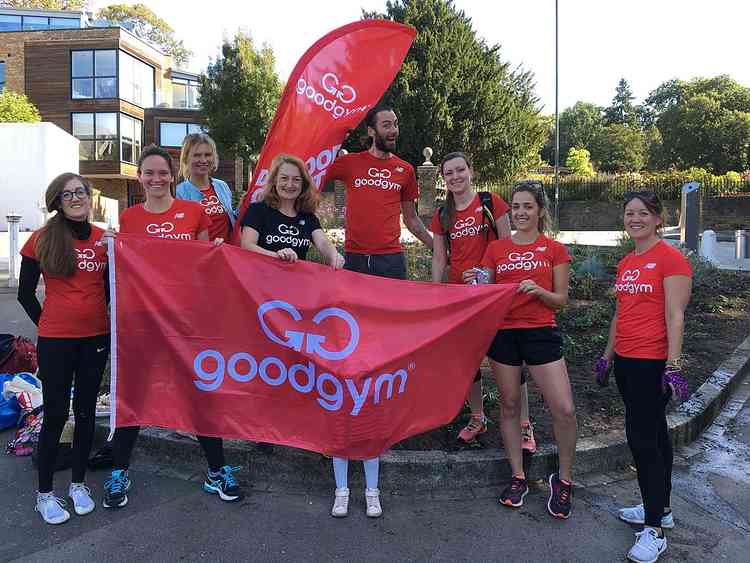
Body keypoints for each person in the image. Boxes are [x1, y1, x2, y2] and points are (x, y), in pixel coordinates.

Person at [103, 145, 244, 509]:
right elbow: (126, 272)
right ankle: (119, 472)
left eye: (162, 173)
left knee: (200, 394)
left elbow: (202, 270)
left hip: (185, 322)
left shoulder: (193, 212)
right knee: (132, 396)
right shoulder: (130, 219)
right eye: (148, 173)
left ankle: (217, 471)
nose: (156, 179)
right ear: (140, 178)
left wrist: (213, 251)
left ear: (172, 175)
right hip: (144, 323)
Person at [468, 181, 577, 519]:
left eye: (528, 206)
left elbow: (561, 300)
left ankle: (565, 480)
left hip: (541, 332)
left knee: (564, 409)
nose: (520, 213)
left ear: (540, 210)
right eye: (516, 207)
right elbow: (483, 288)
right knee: (510, 406)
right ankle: (518, 476)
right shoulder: (496, 249)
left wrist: (539, 293)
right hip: (504, 334)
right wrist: (477, 280)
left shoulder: (554, 249)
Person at [596, 191, 692, 563]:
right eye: (628, 213)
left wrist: (673, 365)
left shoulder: (671, 259)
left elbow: (676, 316)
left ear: (657, 218)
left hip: (653, 363)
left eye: (642, 213)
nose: (634, 218)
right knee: (654, 436)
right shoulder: (627, 262)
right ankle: (660, 509)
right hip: (626, 361)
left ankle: (653, 529)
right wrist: (607, 357)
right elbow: (621, 314)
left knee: (642, 441)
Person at [18, 173, 109, 524]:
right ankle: (44, 495)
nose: (76, 197)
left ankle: (78, 485)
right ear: (57, 200)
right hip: (56, 340)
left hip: (96, 338)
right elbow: (25, 293)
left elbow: (110, 291)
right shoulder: (42, 239)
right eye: (68, 193)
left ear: (89, 197)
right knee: (55, 415)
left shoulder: (104, 240)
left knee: (85, 412)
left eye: (81, 191)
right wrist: (48, 326)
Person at [429, 153, 536, 453]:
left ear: (471, 171)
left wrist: (493, 279)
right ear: (444, 179)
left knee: (510, 362)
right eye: (449, 173)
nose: (455, 177)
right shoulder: (442, 215)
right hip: (459, 301)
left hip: (492, 299)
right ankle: (478, 417)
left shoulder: (491, 203)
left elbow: (507, 247)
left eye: (460, 170)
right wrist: (437, 295)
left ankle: (525, 425)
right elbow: (440, 257)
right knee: (468, 363)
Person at [319, 104, 433, 279]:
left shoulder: (406, 170)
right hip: (355, 259)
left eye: (395, 124)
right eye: (386, 125)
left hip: (391, 261)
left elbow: (411, 219)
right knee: (354, 307)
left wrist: (437, 247)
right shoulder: (350, 162)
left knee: (394, 307)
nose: (394, 130)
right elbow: (311, 177)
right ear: (371, 131)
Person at [240, 153, 344, 268]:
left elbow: (323, 243)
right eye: (284, 178)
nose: (290, 184)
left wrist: (334, 255)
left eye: (296, 180)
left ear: (303, 184)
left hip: (296, 283)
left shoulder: (308, 217)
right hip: (261, 280)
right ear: (274, 181)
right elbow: (247, 245)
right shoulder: (257, 210)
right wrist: (278, 256)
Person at [176, 132, 237, 241]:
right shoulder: (179, 192)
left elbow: (231, 220)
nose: (203, 160)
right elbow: (182, 232)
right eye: (197, 155)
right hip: (200, 254)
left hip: (226, 253)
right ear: (186, 158)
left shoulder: (222, 186)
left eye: (208, 155)